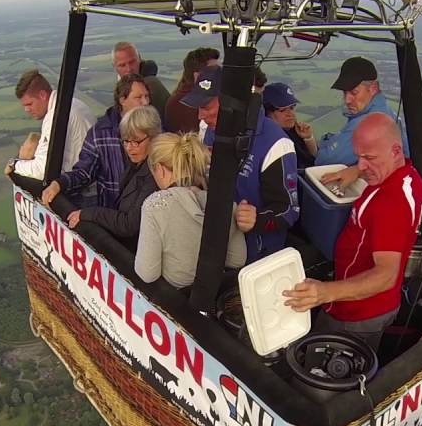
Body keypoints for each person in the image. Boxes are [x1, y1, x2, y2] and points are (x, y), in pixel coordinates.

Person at [284, 114, 422, 351]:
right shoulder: (406, 176)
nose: (361, 165)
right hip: (366, 301)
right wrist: (355, 171)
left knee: (322, 364)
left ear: (395, 150)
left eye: (369, 158)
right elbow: (371, 165)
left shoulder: (391, 204)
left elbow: (386, 275)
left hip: (357, 315)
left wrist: (324, 293)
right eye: (358, 157)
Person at [182, 66, 300, 263]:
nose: (200, 116)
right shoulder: (208, 130)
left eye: (206, 107)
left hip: (256, 256)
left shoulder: (277, 143)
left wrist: (257, 219)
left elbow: (289, 211)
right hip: (217, 246)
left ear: (231, 104)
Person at [136, 133, 247, 289]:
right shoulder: (227, 204)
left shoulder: (155, 206)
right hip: (214, 296)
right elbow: (237, 260)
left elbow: (147, 273)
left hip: (174, 301)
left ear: (160, 169)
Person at [41, 74, 149, 210]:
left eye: (147, 96)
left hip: (148, 213)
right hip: (113, 214)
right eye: (139, 97)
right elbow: (84, 173)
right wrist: (59, 184)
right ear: (123, 100)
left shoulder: (155, 129)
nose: (145, 102)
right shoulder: (100, 133)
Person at [63, 106, 161, 244]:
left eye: (136, 141)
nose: (129, 148)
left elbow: (129, 225)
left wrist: (89, 213)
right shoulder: (135, 164)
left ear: (153, 137)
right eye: (126, 141)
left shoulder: (156, 175)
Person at [315, 57, 410, 189]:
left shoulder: (367, 122)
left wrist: (326, 142)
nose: (347, 100)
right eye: (345, 92)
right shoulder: (385, 110)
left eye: (354, 92)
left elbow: (324, 162)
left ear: (373, 89)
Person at [5, 69, 93, 181]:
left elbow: (42, 170)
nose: (27, 110)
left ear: (42, 95)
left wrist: (14, 164)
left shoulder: (55, 116)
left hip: (81, 190)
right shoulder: (73, 102)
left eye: (29, 104)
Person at [165, 47, 220, 133]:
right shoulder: (184, 104)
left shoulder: (180, 97)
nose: (219, 73)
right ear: (197, 75)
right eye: (213, 70)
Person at [262, 82, 316, 169]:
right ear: (267, 113)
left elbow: (314, 158)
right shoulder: (269, 142)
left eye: (292, 108)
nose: (290, 114)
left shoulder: (294, 131)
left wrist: (308, 138)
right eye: (282, 110)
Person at [113, 42, 170, 117]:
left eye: (132, 62)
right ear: (115, 67)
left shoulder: (152, 84)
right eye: (122, 65)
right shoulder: (122, 86)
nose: (129, 69)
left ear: (139, 59)